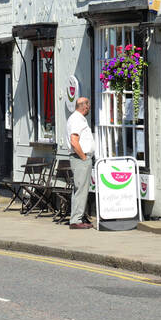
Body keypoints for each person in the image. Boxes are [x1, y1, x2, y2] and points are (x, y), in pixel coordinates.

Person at [67, 96, 96, 229]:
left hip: (80, 158)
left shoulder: (77, 119)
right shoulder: (77, 119)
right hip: (80, 159)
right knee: (81, 189)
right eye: (88, 104)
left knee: (80, 189)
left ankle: (78, 217)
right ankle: (76, 220)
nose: (89, 107)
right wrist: (84, 157)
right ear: (84, 106)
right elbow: (74, 141)